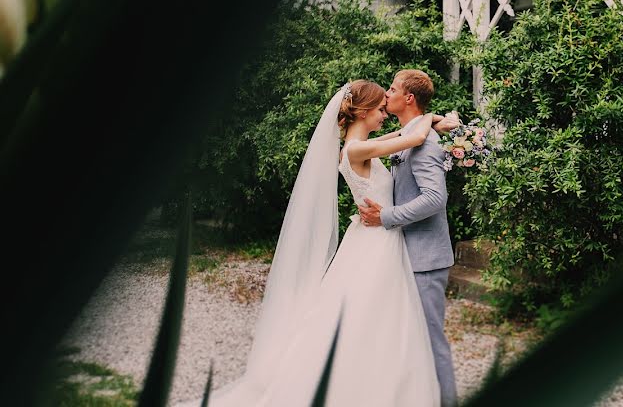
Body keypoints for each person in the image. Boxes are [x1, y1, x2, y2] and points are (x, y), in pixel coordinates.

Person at [178, 79, 459, 406]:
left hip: (376, 240)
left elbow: (400, 136)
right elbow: (414, 137)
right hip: (376, 241)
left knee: (374, 319)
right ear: (364, 111)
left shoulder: (357, 145)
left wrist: (430, 119)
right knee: (374, 318)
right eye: (380, 110)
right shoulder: (357, 149)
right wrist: (428, 120)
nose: (384, 115)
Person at [358, 69, 458, 407]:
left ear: (408, 98)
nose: (387, 94)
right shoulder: (414, 133)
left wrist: (385, 217)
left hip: (426, 260)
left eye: (392, 88)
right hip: (407, 256)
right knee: (408, 342)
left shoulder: (425, 143)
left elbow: (434, 198)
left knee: (431, 342)